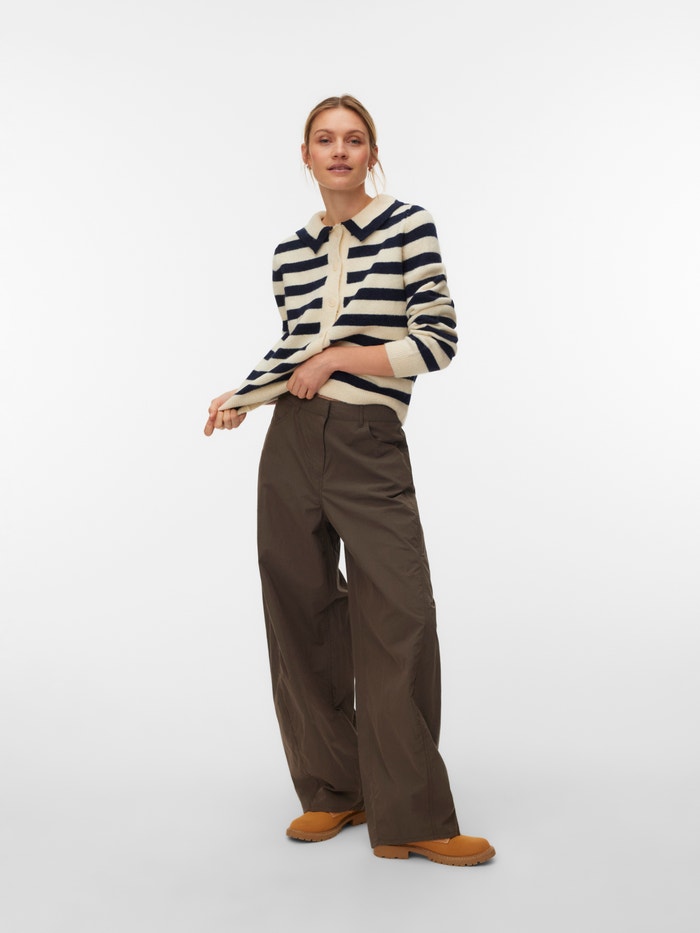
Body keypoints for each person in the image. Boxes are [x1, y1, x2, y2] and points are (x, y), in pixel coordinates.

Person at [204, 94, 495, 867]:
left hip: (368, 439)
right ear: (305, 155)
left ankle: (413, 814)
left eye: (354, 139)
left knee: (399, 612)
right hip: (291, 439)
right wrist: (243, 395)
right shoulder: (289, 252)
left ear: (372, 153)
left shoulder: (408, 226)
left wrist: (337, 358)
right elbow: (293, 346)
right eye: (325, 139)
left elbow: (437, 340)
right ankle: (336, 787)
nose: (340, 151)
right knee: (299, 610)